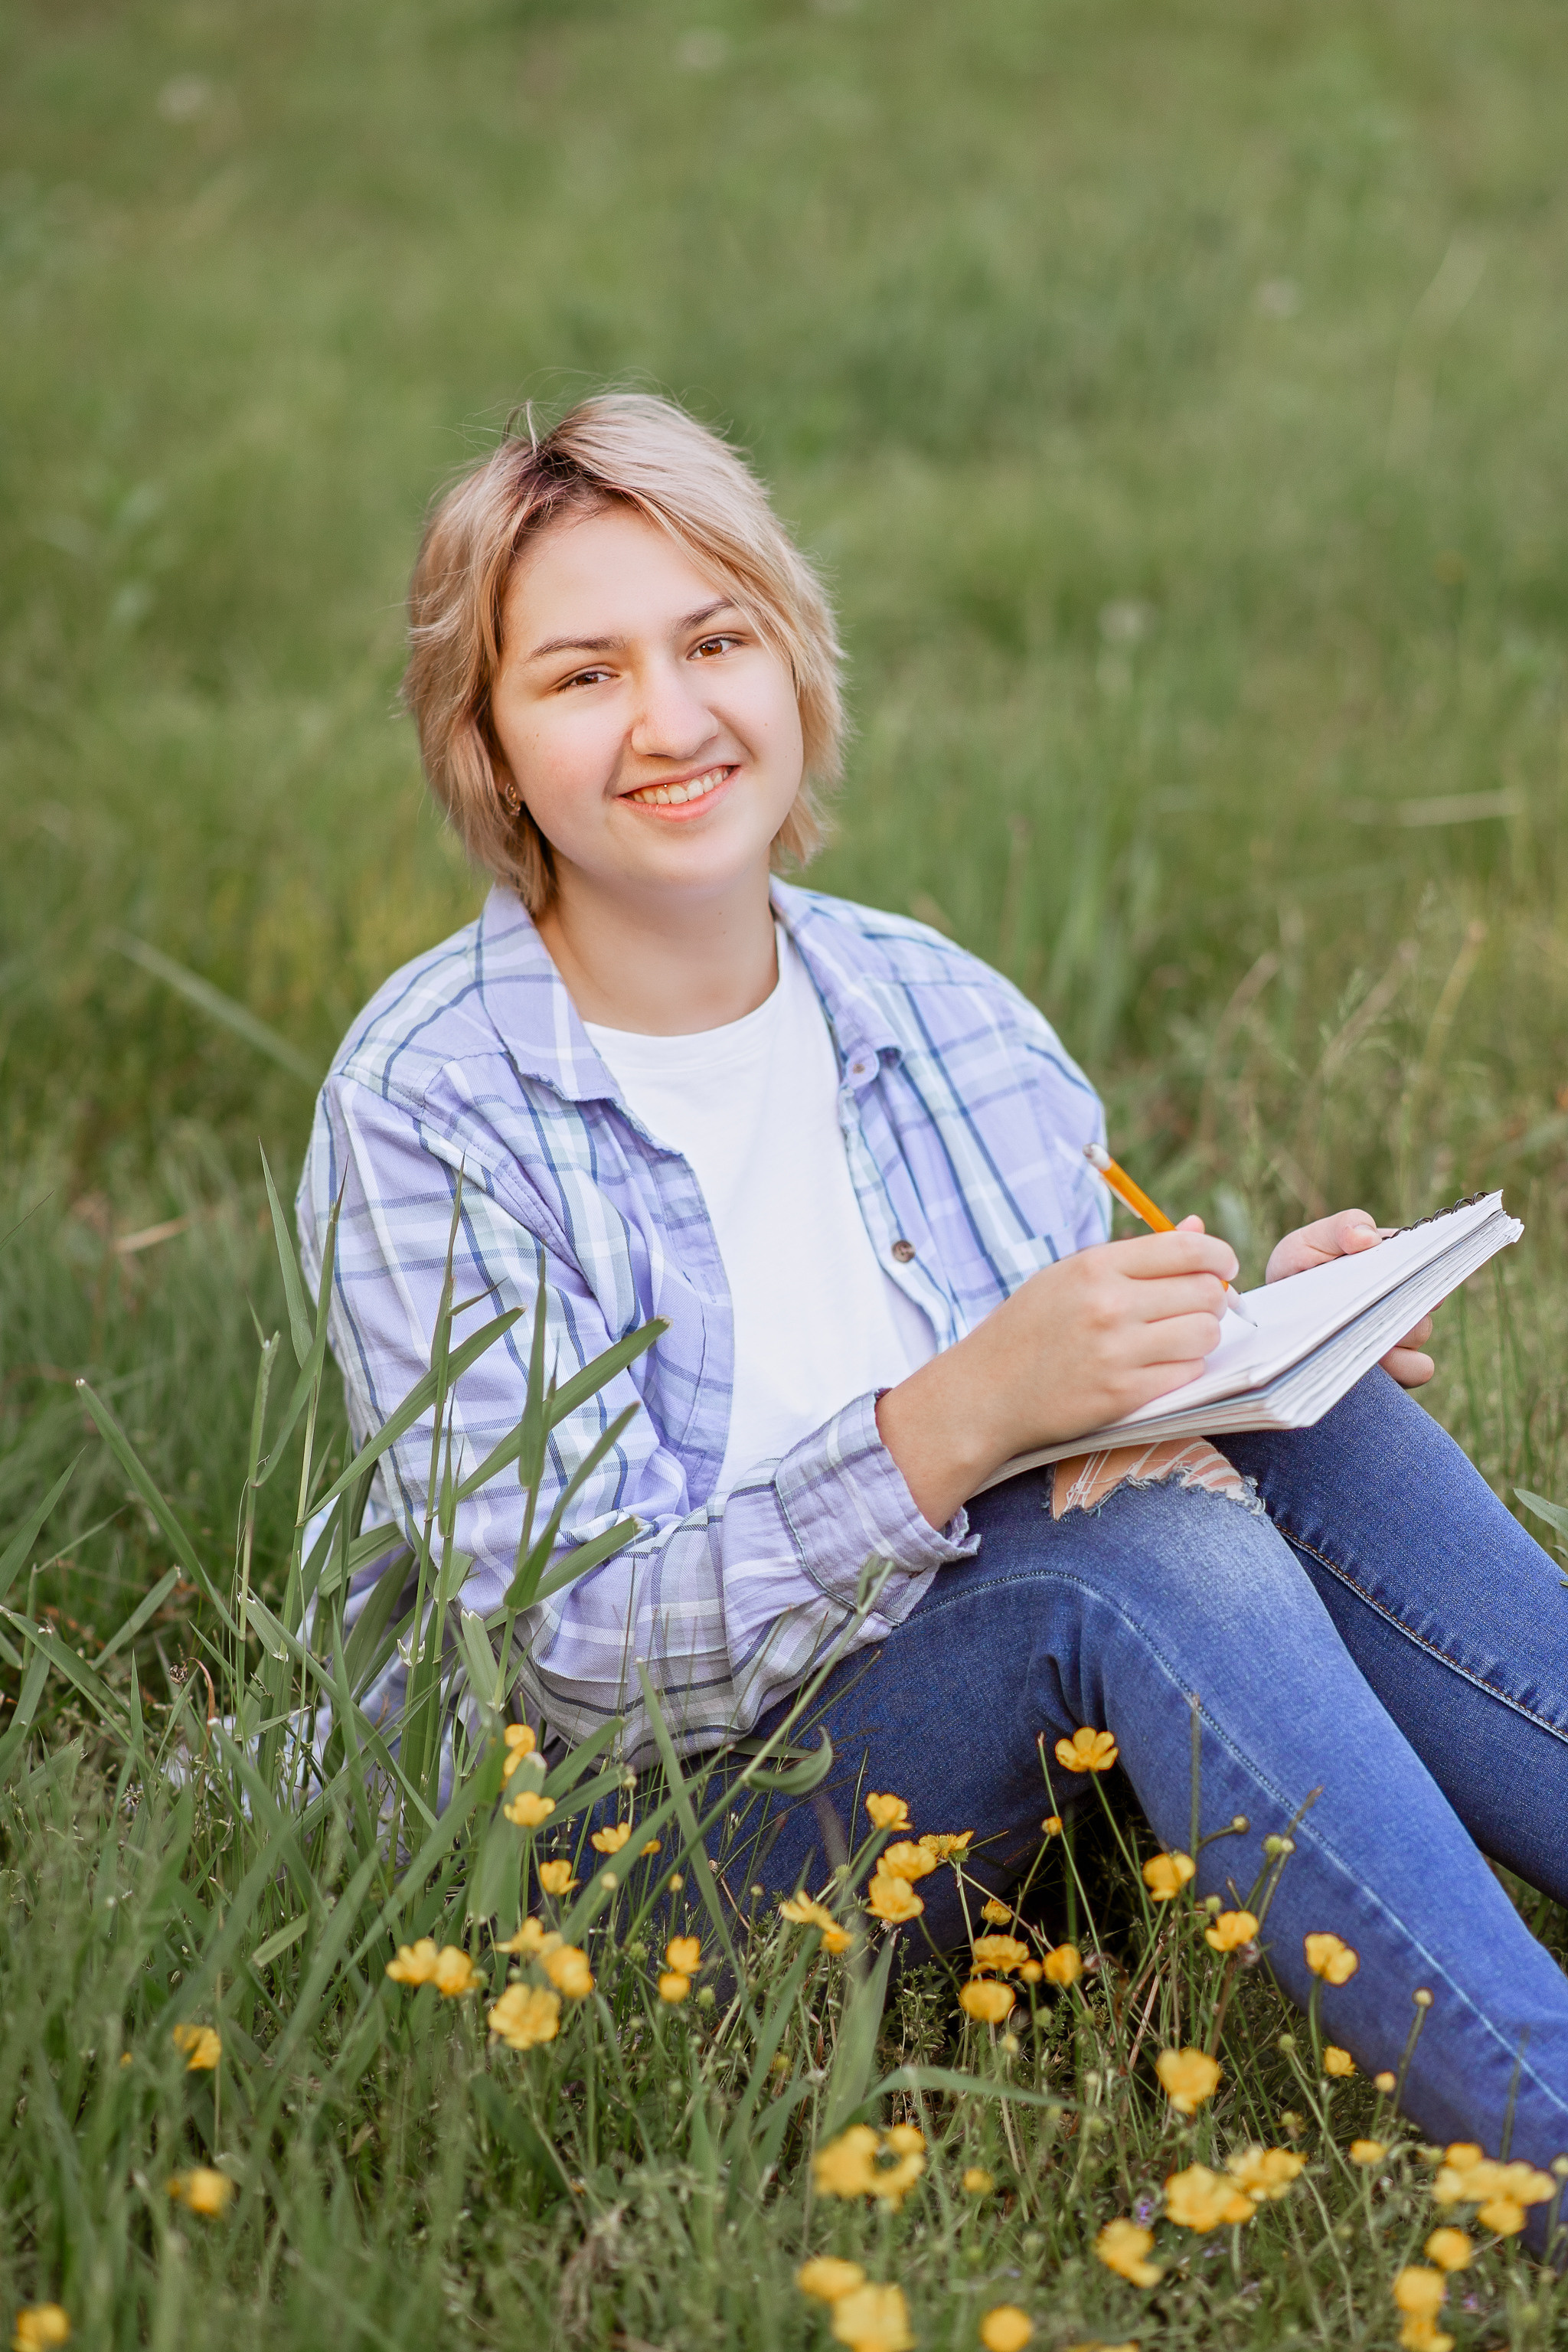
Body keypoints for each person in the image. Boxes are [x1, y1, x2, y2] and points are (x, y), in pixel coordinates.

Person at [300, 392, 1568, 2177]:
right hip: (630, 1856)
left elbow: (1097, 1410)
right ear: (489, 744)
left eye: (714, 641)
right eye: (582, 676)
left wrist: (1258, 1334)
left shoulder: (936, 1004)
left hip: (997, 1760)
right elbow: (573, 1662)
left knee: (1302, 1443)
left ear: (791, 668)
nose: (670, 719)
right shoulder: (429, 1104)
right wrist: (954, 1416)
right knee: (1143, 1554)